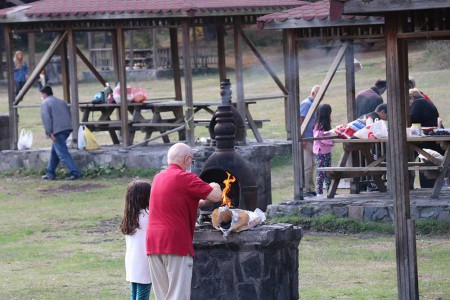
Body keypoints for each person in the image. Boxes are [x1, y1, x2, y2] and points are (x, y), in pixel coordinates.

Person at [146, 142, 222, 300]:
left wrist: (201, 201)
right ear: (187, 159)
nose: (192, 164)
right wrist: (215, 184)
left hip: (153, 244)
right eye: (192, 161)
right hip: (176, 244)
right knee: (178, 296)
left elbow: (181, 202)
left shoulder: (158, 178)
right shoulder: (186, 178)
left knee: (163, 296)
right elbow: (216, 196)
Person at [40, 85, 81, 180]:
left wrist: (50, 133)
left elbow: (46, 119)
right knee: (55, 152)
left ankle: (75, 172)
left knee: (62, 153)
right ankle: (50, 172)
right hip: (67, 129)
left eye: (42, 94)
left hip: (57, 131)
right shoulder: (61, 101)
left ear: (44, 94)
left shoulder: (45, 102)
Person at [120, 180, 152, 300]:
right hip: (144, 263)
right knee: (142, 296)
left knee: (134, 295)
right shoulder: (147, 216)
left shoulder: (130, 217)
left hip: (132, 262)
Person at [409, 88, 443, 188]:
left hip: (428, 139)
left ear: (411, 98)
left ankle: (425, 187)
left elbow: (412, 118)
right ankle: (427, 187)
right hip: (431, 138)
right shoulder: (425, 102)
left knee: (426, 162)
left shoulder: (418, 102)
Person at [299, 85, 320, 197]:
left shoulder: (314, 105)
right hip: (306, 138)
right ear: (313, 93)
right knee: (308, 165)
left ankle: (311, 187)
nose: (321, 97)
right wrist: (301, 138)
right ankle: (306, 189)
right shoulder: (306, 104)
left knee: (312, 164)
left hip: (312, 138)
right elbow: (300, 120)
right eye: (319, 94)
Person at [313, 104, 334, 197]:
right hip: (321, 151)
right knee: (321, 171)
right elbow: (318, 138)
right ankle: (319, 191)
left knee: (328, 170)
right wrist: (327, 143)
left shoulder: (326, 124)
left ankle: (330, 189)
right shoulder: (318, 125)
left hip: (327, 150)